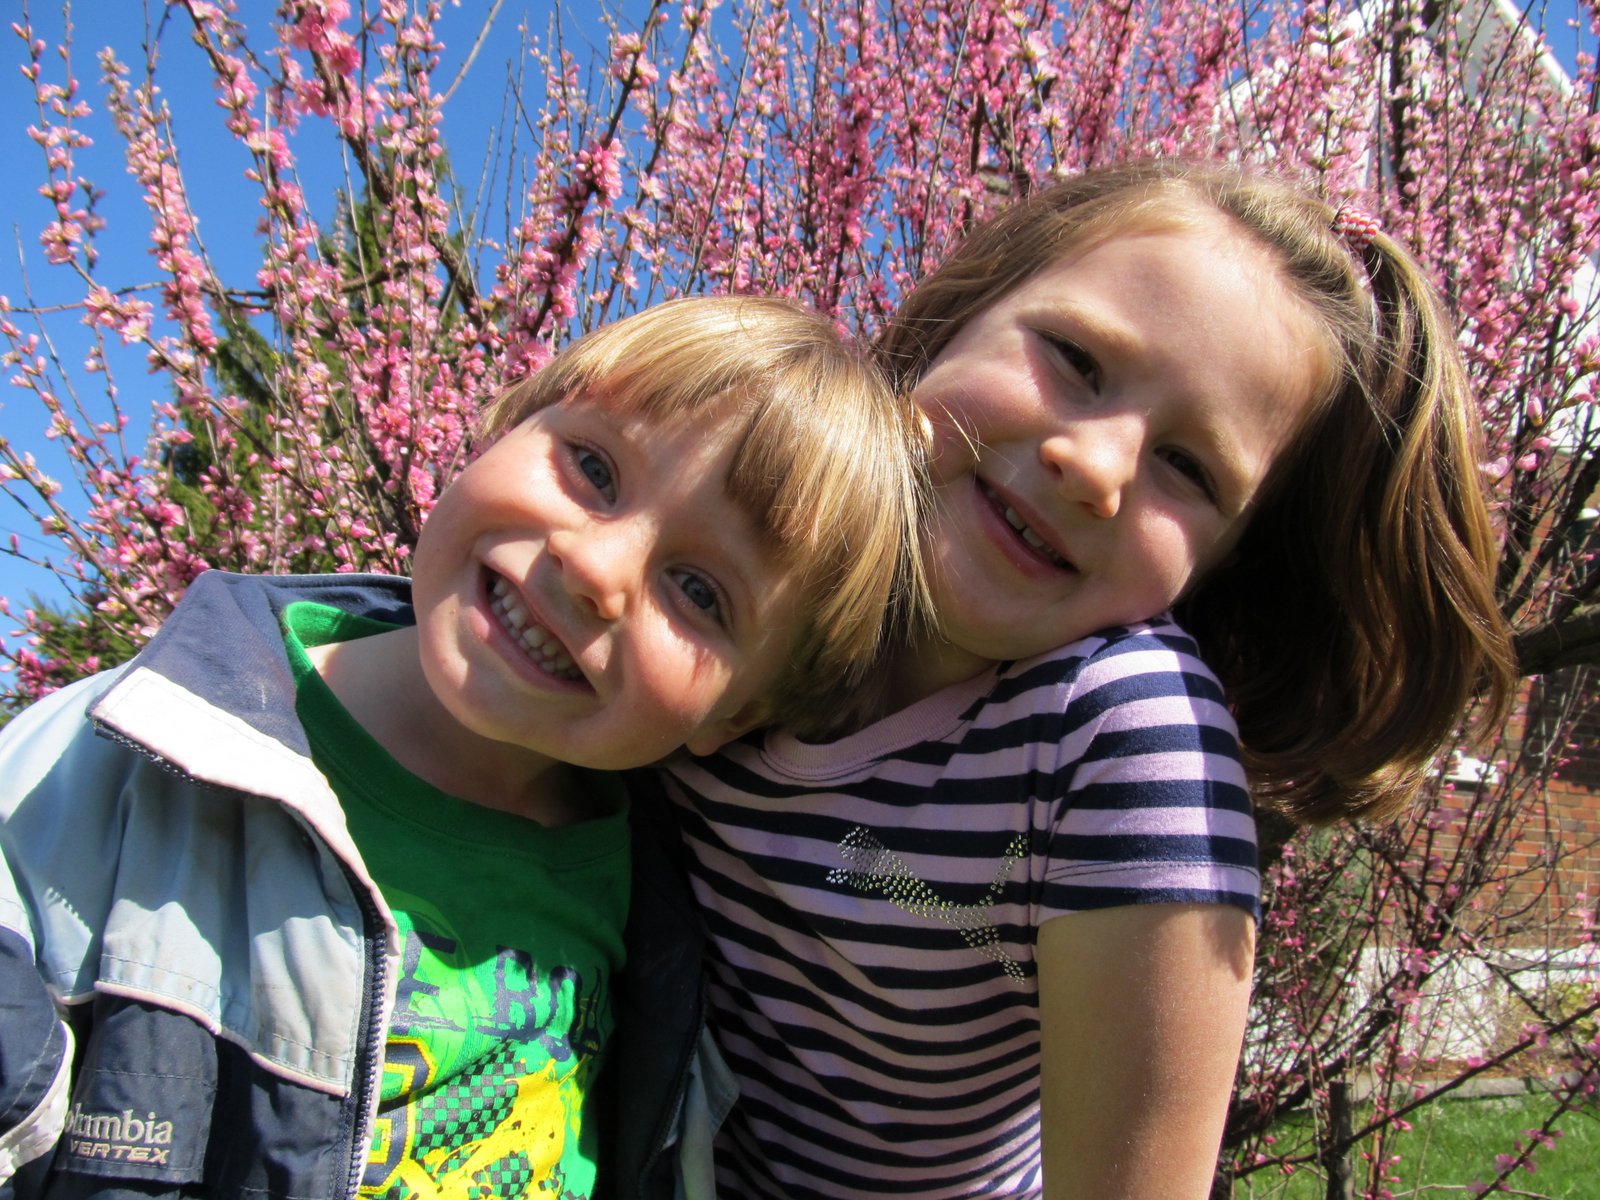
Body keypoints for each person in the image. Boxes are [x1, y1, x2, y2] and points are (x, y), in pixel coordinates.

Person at [659, 159, 1518, 1199]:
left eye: (1188, 469)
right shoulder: (722, 537)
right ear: (958, 317)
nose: (1097, 467)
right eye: (1074, 359)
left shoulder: (1116, 738)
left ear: (1220, 563)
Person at [0, 296, 926, 1200]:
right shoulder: (117, 758)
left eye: (700, 592)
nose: (596, 568)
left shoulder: (656, 908)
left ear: (733, 716)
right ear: (505, 421)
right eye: (594, 468)